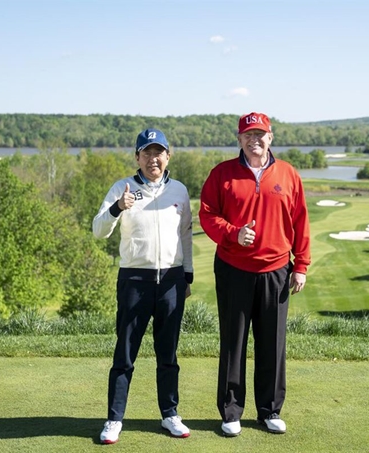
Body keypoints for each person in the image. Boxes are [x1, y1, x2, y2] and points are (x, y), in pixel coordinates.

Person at [199, 112, 311, 437]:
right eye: (248, 135)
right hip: (234, 270)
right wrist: (233, 233)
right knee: (233, 343)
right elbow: (207, 215)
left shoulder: (288, 174)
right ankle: (231, 412)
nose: (255, 140)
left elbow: (301, 221)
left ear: (270, 137)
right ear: (240, 140)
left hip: (276, 270)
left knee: (272, 344)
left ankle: (270, 410)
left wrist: (301, 264)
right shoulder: (222, 174)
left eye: (260, 134)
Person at [92, 127, 194, 444]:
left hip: (172, 281)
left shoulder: (178, 190)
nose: (153, 158)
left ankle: (170, 414)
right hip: (134, 280)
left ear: (168, 156)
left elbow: (186, 236)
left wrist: (187, 276)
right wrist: (117, 207)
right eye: (147, 152)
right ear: (137, 157)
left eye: (158, 152)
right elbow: (98, 231)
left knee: (168, 355)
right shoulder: (124, 189)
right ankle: (114, 419)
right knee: (125, 354)